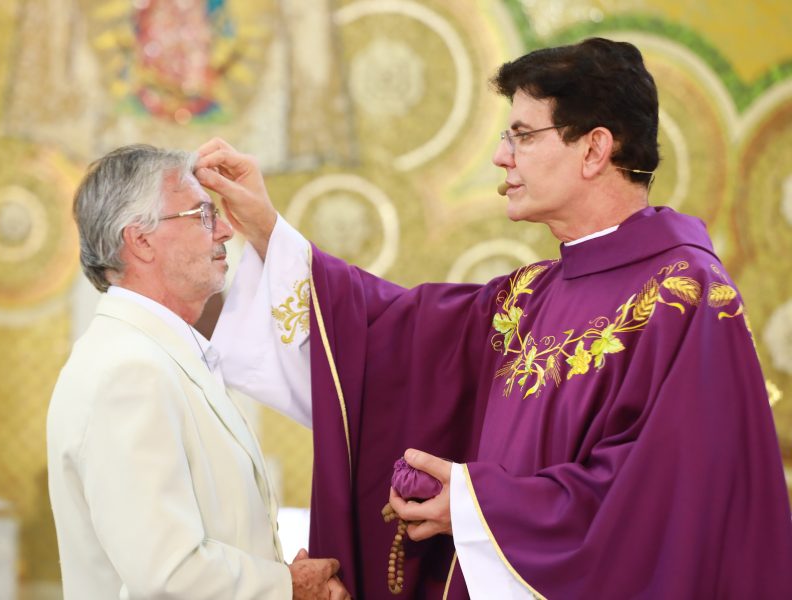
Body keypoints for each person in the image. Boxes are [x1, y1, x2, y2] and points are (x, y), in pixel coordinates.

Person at [198, 38, 792, 599]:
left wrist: (480, 504)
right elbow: (393, 335)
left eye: (523, 136)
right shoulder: (534, 294)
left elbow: (667, 503)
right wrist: (265, 228)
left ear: (594, 148)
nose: (500, 157)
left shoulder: (687, 297)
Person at [46, 145, 350, 599]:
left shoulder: (155, 356)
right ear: (141, 240)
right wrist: (284, 587)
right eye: (203, 214)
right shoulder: (128, 371)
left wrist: (271, 570)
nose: (225, 230)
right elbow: (167, 572)